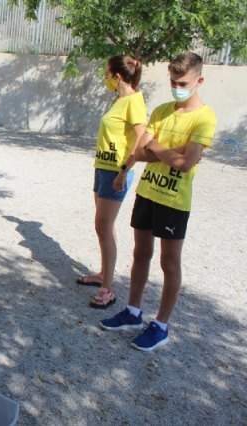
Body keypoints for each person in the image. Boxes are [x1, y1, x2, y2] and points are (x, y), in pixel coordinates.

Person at [100, 52, 216, 351]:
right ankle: (133, 312)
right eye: (173, 81)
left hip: (174, 200)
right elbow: (140, 152)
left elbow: (185, 164)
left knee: (169, 262)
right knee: (141, 253)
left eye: (183, 82)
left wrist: (157, 147)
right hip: (148, 192)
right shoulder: (163, 110)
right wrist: (169, 151)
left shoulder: (205, 117)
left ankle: (161, 325)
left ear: (199, 81)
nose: (177, 87)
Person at [75, 56, 146, 309]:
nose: (104, 77)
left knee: (103, 226)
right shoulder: (119, 100)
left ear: (117, 76)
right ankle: (104, 275)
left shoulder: (134, 101)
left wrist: (124, 170)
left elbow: (142, 140)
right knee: (104, 226)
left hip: (116, 172)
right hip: (103, 169)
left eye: (107, 73)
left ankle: (108, 289)